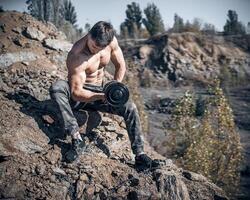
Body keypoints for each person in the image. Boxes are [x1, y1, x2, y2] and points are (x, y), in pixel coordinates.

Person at [49, 21, 159, 168]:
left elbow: (121, 66)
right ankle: (76, 138)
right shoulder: (77, 55)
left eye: (100, 48)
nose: (95, 50)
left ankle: (139, 155)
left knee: (130, 107)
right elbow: (76, 94)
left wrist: (114, 88)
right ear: (89, 35)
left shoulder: (111, 42)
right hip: (78, 94)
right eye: (93, 46)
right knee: (57, 88)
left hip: (100, 91)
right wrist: (102, 97)